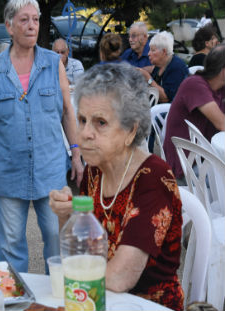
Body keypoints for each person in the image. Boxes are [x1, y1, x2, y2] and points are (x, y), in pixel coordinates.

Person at [49, 63, 184, 311]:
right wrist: (66, 215)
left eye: (100, 122)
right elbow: (78, 253)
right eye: (82, 120)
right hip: (99, 299)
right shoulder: (94, 170)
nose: (85, 133)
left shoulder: (153, 178)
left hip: (147, 305)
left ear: (131, 131)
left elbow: (119, 278)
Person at [0, 0, 84, 273]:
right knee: (10, 245)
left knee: (58, 240)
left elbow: (68, 112)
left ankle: (57, 299)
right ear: (9, 26)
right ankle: (16, 301)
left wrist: (77, 154)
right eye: (24, 20)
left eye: (35, 19)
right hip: (8, 171)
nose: (32, 25)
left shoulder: (53, 63)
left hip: (50, 169)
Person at [164, 43, 225, 181]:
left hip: (204, 157)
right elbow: (222, 124)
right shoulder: (195, 85)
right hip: (187, 166)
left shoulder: (219, 88)